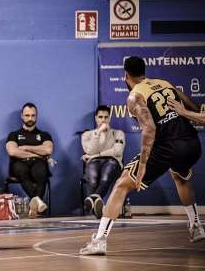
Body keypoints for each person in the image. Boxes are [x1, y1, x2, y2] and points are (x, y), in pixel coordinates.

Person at [80, 56, 204, 255]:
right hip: (192, 144)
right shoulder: (165, 84)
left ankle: (99, 241)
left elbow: (149, 129)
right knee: (180, 176)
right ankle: (196, 227)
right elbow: (195, 109)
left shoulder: (134, 97)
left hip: (167, 147)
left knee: (121, 184)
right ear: (144, 71)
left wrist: (144, 163)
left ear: (126, 75)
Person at [5, 102, 53, 218]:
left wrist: (26, 147)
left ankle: (34, 205)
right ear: (22, 116)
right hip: (19, 163)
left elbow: (48, 150)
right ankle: (38, 204)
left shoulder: (44, 135)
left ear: (36, 116)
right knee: (22, 171)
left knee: (42, 172)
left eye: (33, 115)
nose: (30, 118)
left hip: (38, 164)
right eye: (27, 115)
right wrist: (38, 153)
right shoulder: (13, 135)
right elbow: (12, 151)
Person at [81, 105, 125, 219]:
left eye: (106, 117)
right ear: (96, 118)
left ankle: (93, 199)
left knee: (105, 176)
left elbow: (117, 151)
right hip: (94, 162)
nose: (103, 120)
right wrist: (98, 132)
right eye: (100, 117)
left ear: (109, 118)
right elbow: (90, 150)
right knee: (93, 181)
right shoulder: (87, 135)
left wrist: (96, 155)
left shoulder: (118, 133)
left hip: (113, 162)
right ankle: (97, 207)